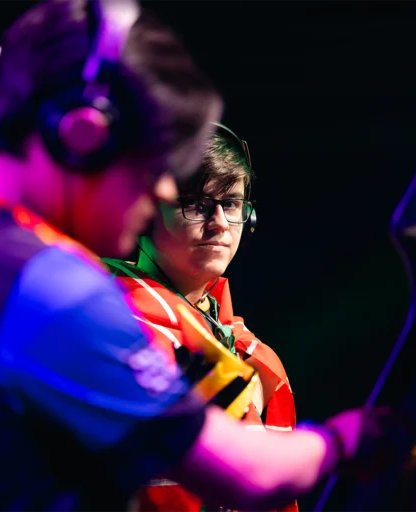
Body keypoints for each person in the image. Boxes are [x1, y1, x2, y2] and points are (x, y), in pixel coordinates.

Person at [0, 0, 407, 510]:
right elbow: (249, 476)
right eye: (155, 164)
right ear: (83, 135)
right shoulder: (44, 286)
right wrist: (347, 439)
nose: (162, 191)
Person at [104, 123, 300, 512]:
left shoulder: (257, 358)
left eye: (232, 204)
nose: (220, 223)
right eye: (195, 204)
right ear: (145, 213)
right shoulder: (105, 324)